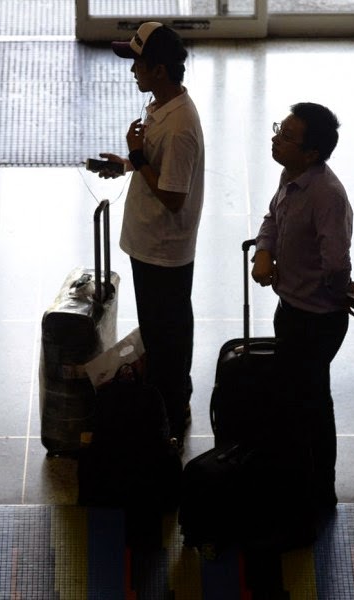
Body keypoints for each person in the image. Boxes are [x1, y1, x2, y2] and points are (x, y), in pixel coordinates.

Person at [251, 102, 354, 510]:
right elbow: (272, 218)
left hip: (317, 321)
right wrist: (264, 251)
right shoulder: (292, 175)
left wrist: (341, 293)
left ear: (312, 153)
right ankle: (299, 479)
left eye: (286, 135)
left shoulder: (327, 196)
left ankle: (319, 492)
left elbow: (336, 262)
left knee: (313, 403)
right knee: (300, 399)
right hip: (292, 310)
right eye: (279, 128)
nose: (276, 138)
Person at [98, 22, 205, 443]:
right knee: (168, 326)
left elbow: (174, 197)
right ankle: (174, 393)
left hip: (163, 250)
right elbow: (158, 172)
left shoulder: (179, 126)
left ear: (159, 70)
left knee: (165, 337)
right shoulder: (162, 104)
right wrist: (127, 164)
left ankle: (170, 416)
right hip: (151, 247)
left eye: (137, 63)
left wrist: (138, 157)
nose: (132, 71)